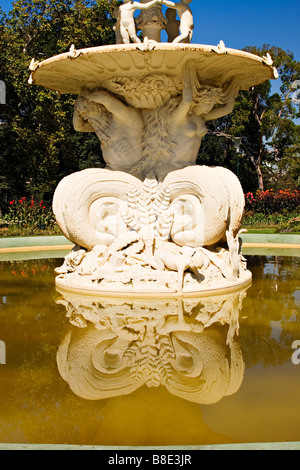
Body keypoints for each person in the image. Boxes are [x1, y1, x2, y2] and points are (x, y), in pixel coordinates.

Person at [73, 90, 144, 173]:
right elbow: (79, 127)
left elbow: (108, 102)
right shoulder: (102, 127)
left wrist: (90, 96)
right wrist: (77, 109)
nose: (85, 118)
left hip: (132, 171)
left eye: (86, 111)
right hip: (112, 170)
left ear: (98, 106)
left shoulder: (126, 120)